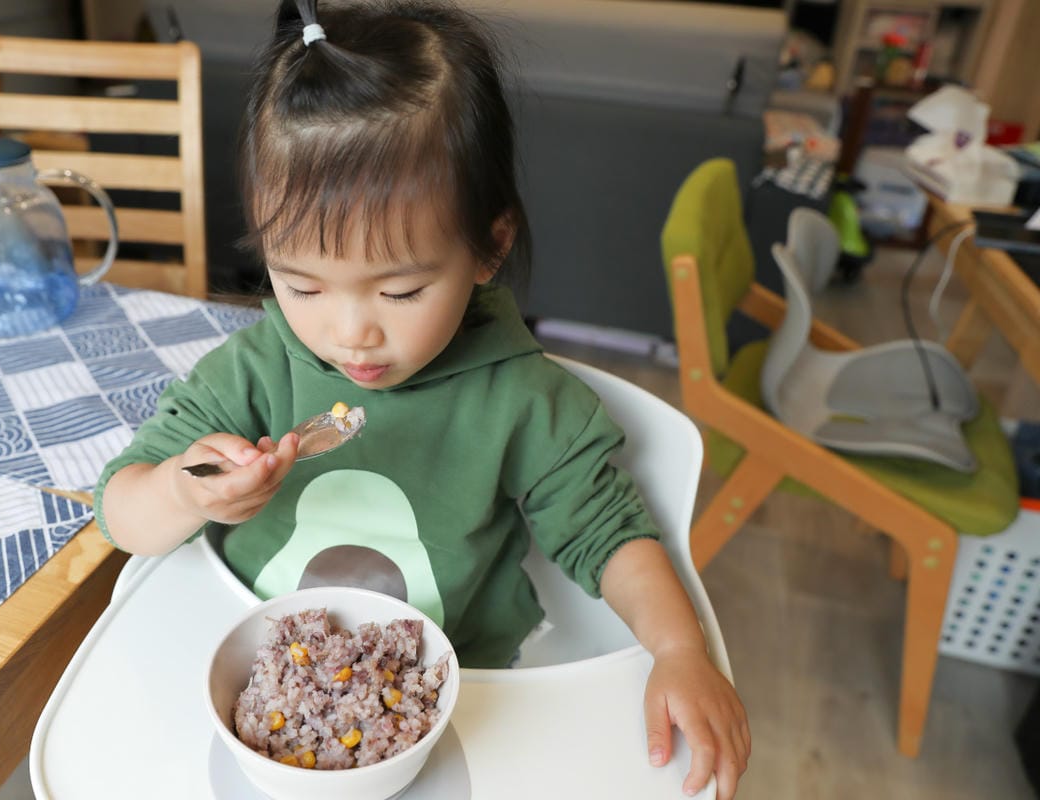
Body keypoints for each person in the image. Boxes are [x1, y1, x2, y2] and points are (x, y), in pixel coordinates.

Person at [95, 0, 749, 795]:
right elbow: (123, 515)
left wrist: (681, 652)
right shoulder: (258, 370)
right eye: (300, 283)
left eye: (400, 291)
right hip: (248, 688)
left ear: (488, 248)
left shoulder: (522, 398)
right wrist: (185, 488)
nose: (349, 334)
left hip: (452, 704)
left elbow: (611, 537)